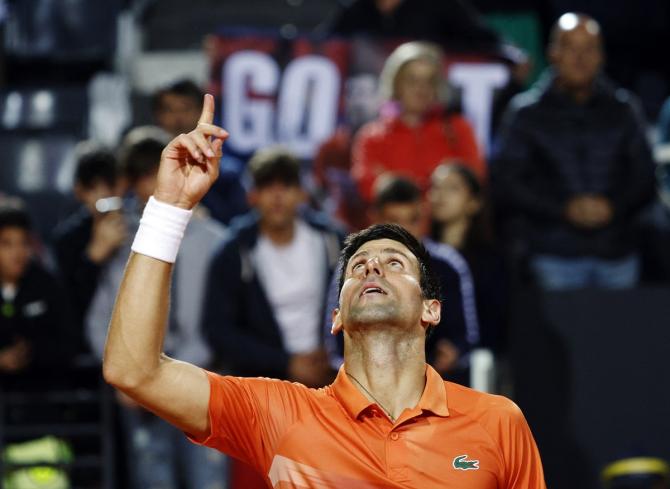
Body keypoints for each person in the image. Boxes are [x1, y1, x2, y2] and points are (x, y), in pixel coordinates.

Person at [103, 94, 546, 488]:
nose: (373, 265)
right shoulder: (279, 414)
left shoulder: (497, 422)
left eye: (395, 262)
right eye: (357, 267)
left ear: (431, 309)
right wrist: (168, 209)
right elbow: (134, 370)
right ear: (336, 316)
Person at [86, 126, 228, 489]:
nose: (149, 184)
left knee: (208, 479)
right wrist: (121, 372)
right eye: (140, 175)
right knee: (153, 479)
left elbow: (229, 316)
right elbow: (103, 314)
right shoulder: (121, 238)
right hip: (141, 383)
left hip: (203, 378)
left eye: (154, 172)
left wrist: (222, 367)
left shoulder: (217, 241)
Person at [491, 13, 656, 290]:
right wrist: (563, 209)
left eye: (589, 49)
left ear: (602, 56)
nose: (580, 58)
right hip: (551, 254)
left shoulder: (625, 109)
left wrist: (612, 207)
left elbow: (644, 176)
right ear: (553, 53)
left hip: (617, 253)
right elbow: (507, 181)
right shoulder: (526, 114)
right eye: (570, 47)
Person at [324, 175, 479, 382]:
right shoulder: (352, 268)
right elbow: (333, 348)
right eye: (395, 222)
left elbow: (466, 338)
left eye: (412, 220)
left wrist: (455, 351)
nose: (405, 233)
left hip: (439, 383)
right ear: (375, 218)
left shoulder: (448, 264)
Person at [351, 41, 484, 202]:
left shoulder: (458, 129)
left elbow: (474, 182)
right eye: (412, 80)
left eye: (429, 81)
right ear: (396, 83)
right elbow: (368, 188)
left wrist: (393, 181)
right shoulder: (371, 137)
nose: (421, 89)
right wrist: (434, 188)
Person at [51, 142, 126, 354]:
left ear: (122, 184)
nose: (103, 196)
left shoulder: (139, 226)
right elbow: (67, 308)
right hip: (84, 348)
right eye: (93, 188)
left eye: (110, 186)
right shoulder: (66, 239)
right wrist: (93, 259)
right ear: (79, 191)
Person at [429, 163, 508, 351]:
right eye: (435, 187)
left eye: (452, 188)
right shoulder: (420, 255)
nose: (440, 195)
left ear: (474, 203)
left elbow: (496, 319)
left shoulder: (491, 260)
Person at [1, 200, 73, 378]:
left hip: (42, 392)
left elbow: (69, 342)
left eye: (23, 242)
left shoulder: (48, 285)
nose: (17, 252)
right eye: (7, 244)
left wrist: (30, 353)